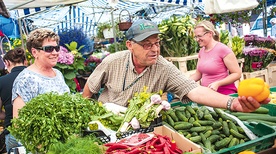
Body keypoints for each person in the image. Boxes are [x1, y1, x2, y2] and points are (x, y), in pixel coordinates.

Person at [82, 19, 270, 113]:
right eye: (147, 44)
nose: (155, 49)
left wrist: (232, 103)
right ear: (130, 45)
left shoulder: (163, 67)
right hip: (108, 120)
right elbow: (89, 89)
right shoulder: (112, 61)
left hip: (140, 124)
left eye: (157, 43)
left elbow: (194, 90)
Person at [12, 29, 70, 118]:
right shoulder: (26, 79)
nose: (55, 53)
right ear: (35, 52)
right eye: (49, 49)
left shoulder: (58, 73)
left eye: (57, 48)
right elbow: (18, 122)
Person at [190, 20, 242, 95]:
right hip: (208, 94)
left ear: (210, 34)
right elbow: (198, 74)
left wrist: (218, 83)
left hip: (224, 93)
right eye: (196, 37)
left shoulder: (223, 49)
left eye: (199, 36)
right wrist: (183, 82)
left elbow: (237, 74)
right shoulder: (201, 51)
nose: (197, 39)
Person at [0, 48, 26, 152]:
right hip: (38, 129)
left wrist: (12, 114)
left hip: (13, 132)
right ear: (25, 61)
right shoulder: (35, 76)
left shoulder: (2, 81)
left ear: (7, 62)